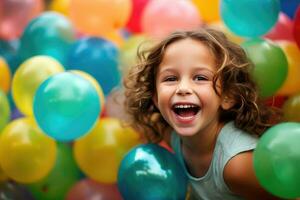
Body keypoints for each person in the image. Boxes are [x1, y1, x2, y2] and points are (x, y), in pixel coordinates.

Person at [123, 27, 282, 200]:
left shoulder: (236, 167)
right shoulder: (171, 134)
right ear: (155, 97)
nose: (183, 88)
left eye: (200, 78)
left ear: (228, 96)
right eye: (170, 79)